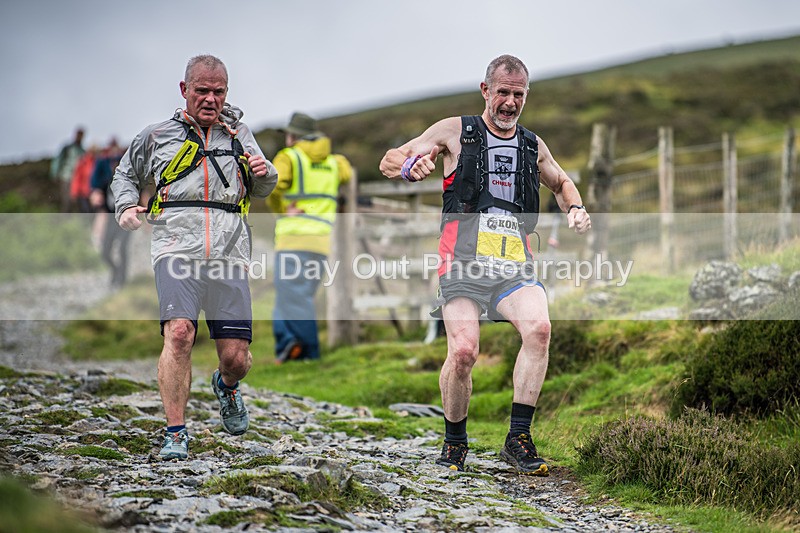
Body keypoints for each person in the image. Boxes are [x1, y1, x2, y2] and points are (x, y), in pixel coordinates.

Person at [379, 54, 591, 475]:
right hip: (461, 265)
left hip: (514, 263)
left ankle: (518, 439)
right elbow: (389, 159)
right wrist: (408, 167)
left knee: (540, 329)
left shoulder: (533, 144)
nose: (510, 103)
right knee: (463, 352)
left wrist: (576, 208)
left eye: (519, 94)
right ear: (485, 91)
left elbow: (562, 181)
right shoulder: (455, 132)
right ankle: (455, 442)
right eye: (503, 93)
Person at [111, 55, 277, 460]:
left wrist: (264, 170)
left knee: (236, 357)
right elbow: (125, 174)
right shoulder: (156, 135)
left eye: (218, 91)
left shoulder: (241, 134)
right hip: (175, 248)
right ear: (184, 90)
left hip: (229, 251)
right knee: (180, 333)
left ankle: (227, 385)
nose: (210, 99)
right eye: (202, 91)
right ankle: (175, 432)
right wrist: (126, 206)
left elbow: (264, 187)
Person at [266, 112, 353, 363]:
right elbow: (348, 174)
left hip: (293, 237)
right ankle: (288, 346)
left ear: (293, 136)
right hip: (323, 240)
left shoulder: (289, 157)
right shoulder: (335, 162)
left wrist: (282, 209)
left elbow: (272, 183)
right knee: (291, 294)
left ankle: (309, 352)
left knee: (295, 295)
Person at [90, 138, 129, 288]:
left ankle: (122, 281)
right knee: (105, 251)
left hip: (127, 219)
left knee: (122, 249)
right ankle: (116, 271)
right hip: (112, 219)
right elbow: (95, 191)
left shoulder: (130, 180)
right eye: (113, 163)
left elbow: (143, 195)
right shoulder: (105, 180)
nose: (115, 166)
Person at [50, 127, 85, 211]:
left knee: (76, 200)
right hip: (66, 176)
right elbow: (58, 160)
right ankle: (65, 219)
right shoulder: (67, 148)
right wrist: (54, 173)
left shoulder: (82, 151)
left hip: (77, 179)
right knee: (66, 199)